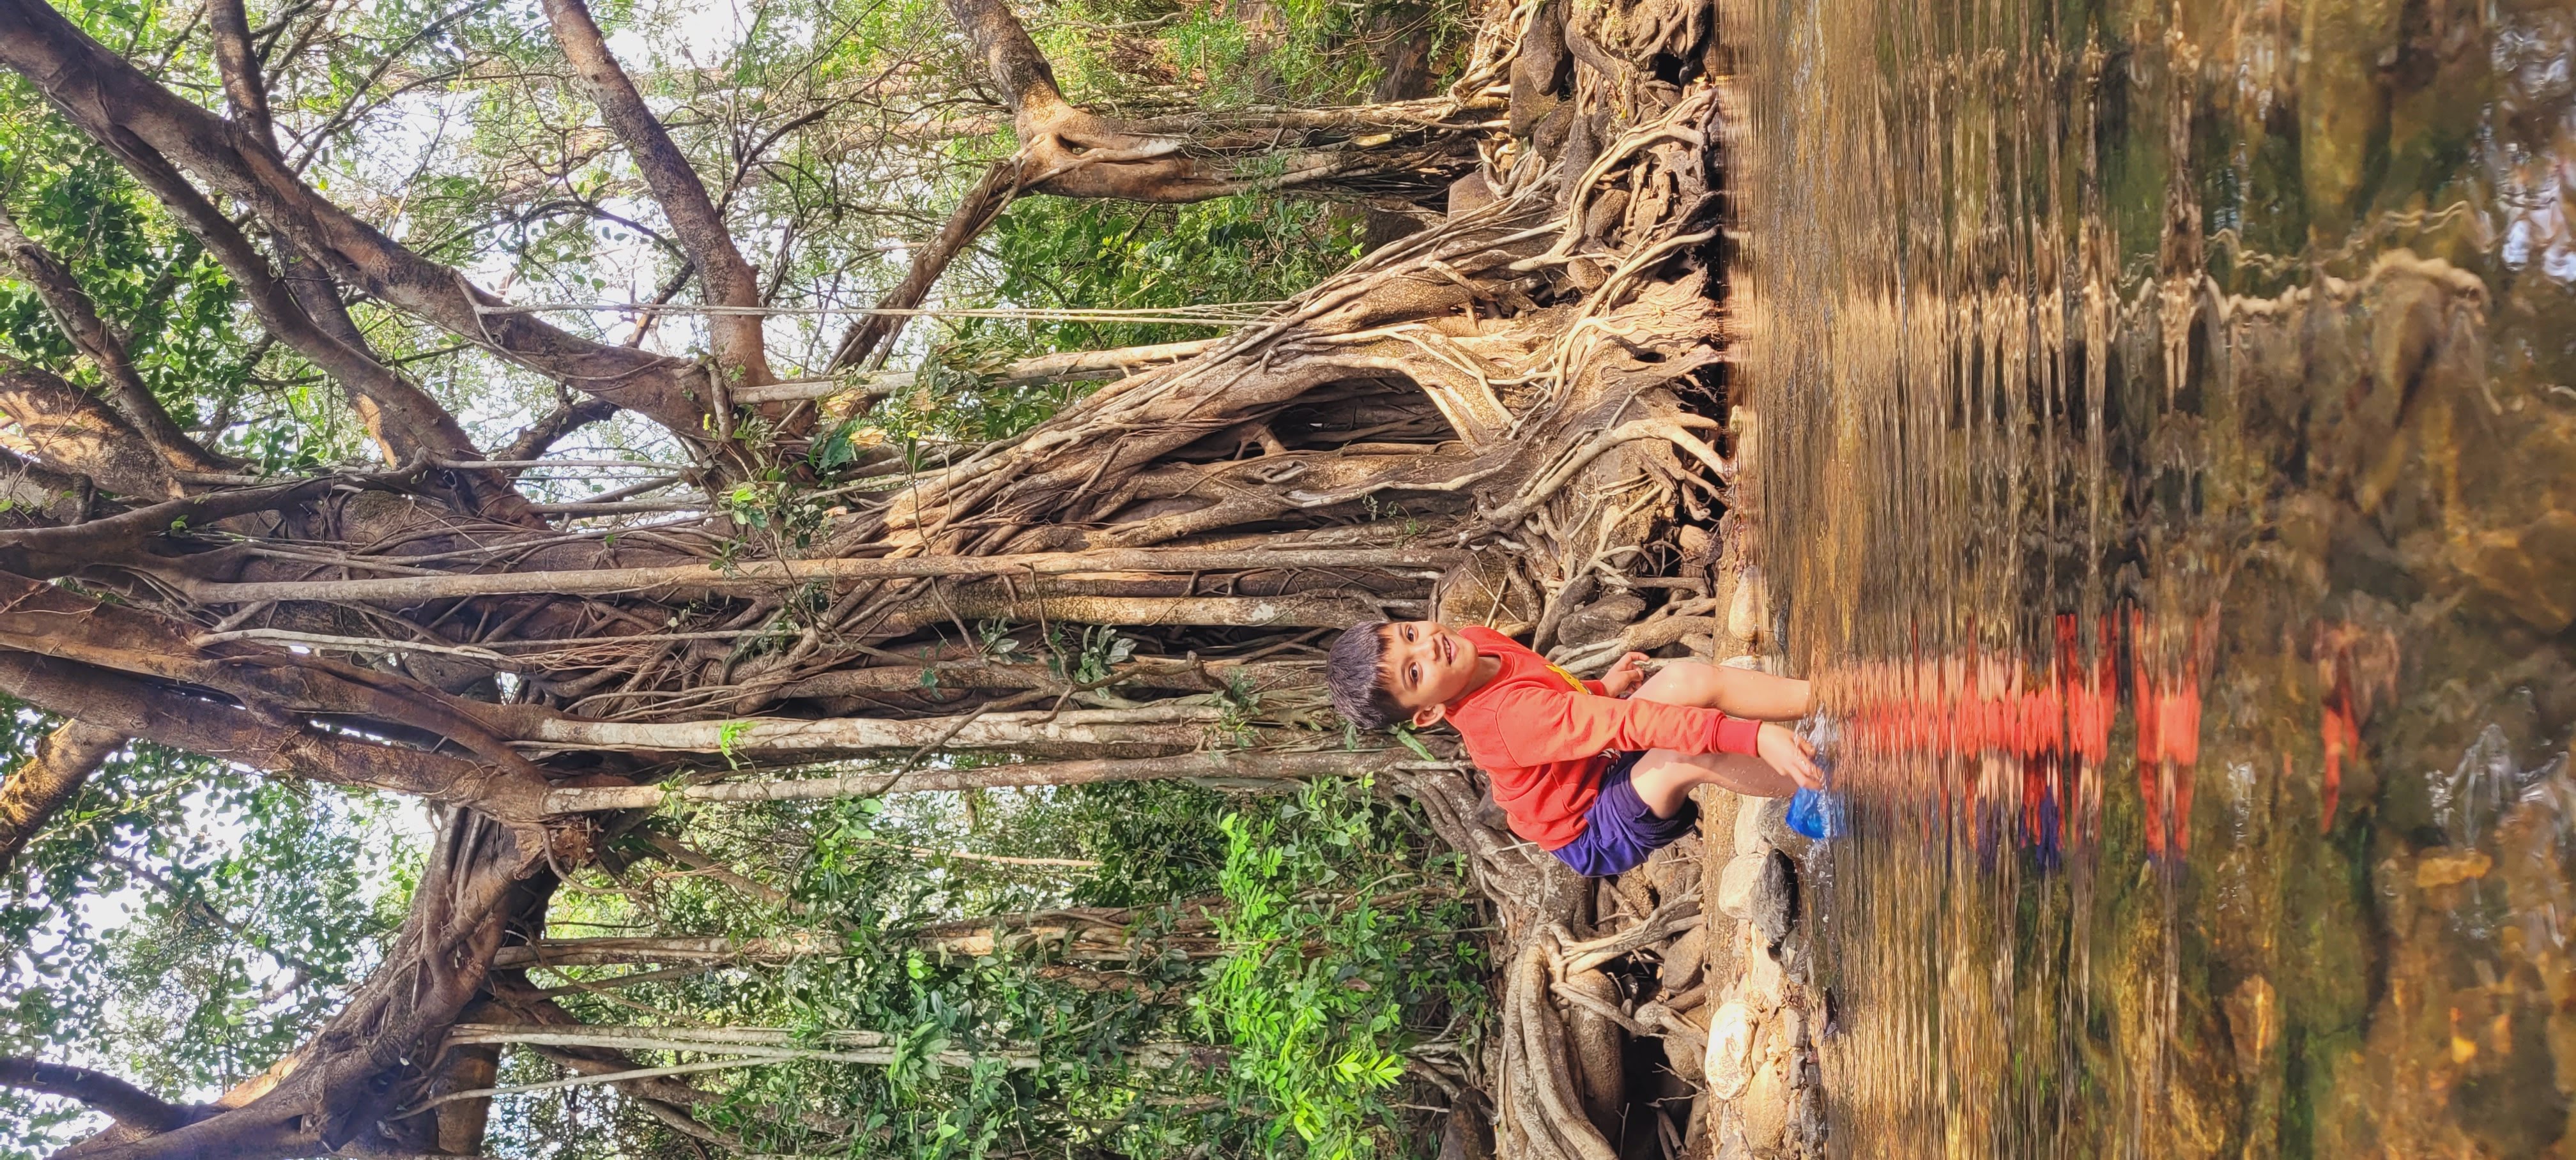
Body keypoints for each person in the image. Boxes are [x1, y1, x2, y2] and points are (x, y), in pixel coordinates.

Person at [1326, 618, 1821, 877]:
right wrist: (1754, 736)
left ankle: (1829, 698)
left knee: (1686, 677)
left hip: (1594, 765)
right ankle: (1831, 782)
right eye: (1415, 673)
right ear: (1429, 713)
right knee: (1685, 755)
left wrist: (1601, 688)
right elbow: (1627, 724)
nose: (1428, 648)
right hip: (1589, 826)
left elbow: (1559, 705)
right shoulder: (1504, 721)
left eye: (1410, 634)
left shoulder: (1477, 642)